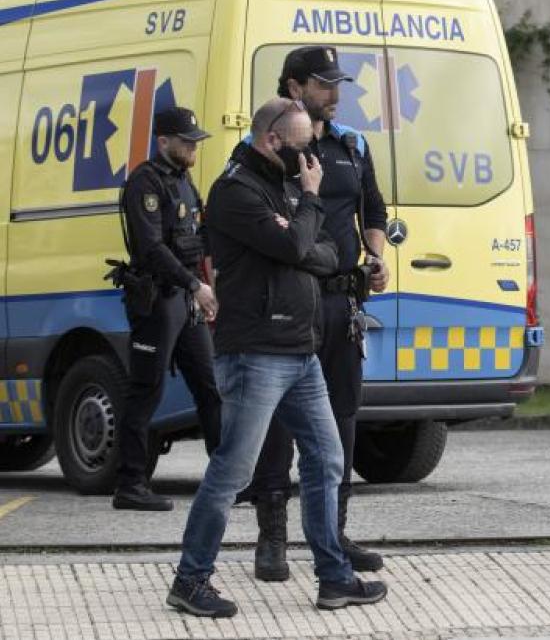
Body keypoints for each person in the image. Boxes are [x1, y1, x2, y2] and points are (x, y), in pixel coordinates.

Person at [166, 97, 387, 618]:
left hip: (300, 351)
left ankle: (333, 578)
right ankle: (190, 580)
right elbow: (296, 249)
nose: (312, 160)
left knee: (327, 459)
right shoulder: (236, 192)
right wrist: (305, 217)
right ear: (272, 141)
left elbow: (329, 249)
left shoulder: (283, 187)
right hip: (255, 354)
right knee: (232, 472)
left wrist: (300, 233)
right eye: (304, 147)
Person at [243, 45, 388, 582]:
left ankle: (333, 533)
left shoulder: (352, 144)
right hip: (286, 302)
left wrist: (375, 255)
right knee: (280, 422)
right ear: (294, 87)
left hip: (340, 300)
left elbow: (372, 207)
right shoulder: (266, 148)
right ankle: (272, 538)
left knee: (342, 420)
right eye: (324, 83)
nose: (335, 92)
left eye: (337, 83)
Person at [111, 107, 221, 512]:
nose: (194, 147)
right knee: (145, 390)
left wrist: (207, 286)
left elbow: (199, 239)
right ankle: (131, 484)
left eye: (195, 140)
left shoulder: (185, 182)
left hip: (185, 300)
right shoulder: (146, 182)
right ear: (163, 142)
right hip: (157, 300)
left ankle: (227, 478)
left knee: (210, 388)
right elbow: (151, 248)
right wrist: (195, 285)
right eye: (187, 141)